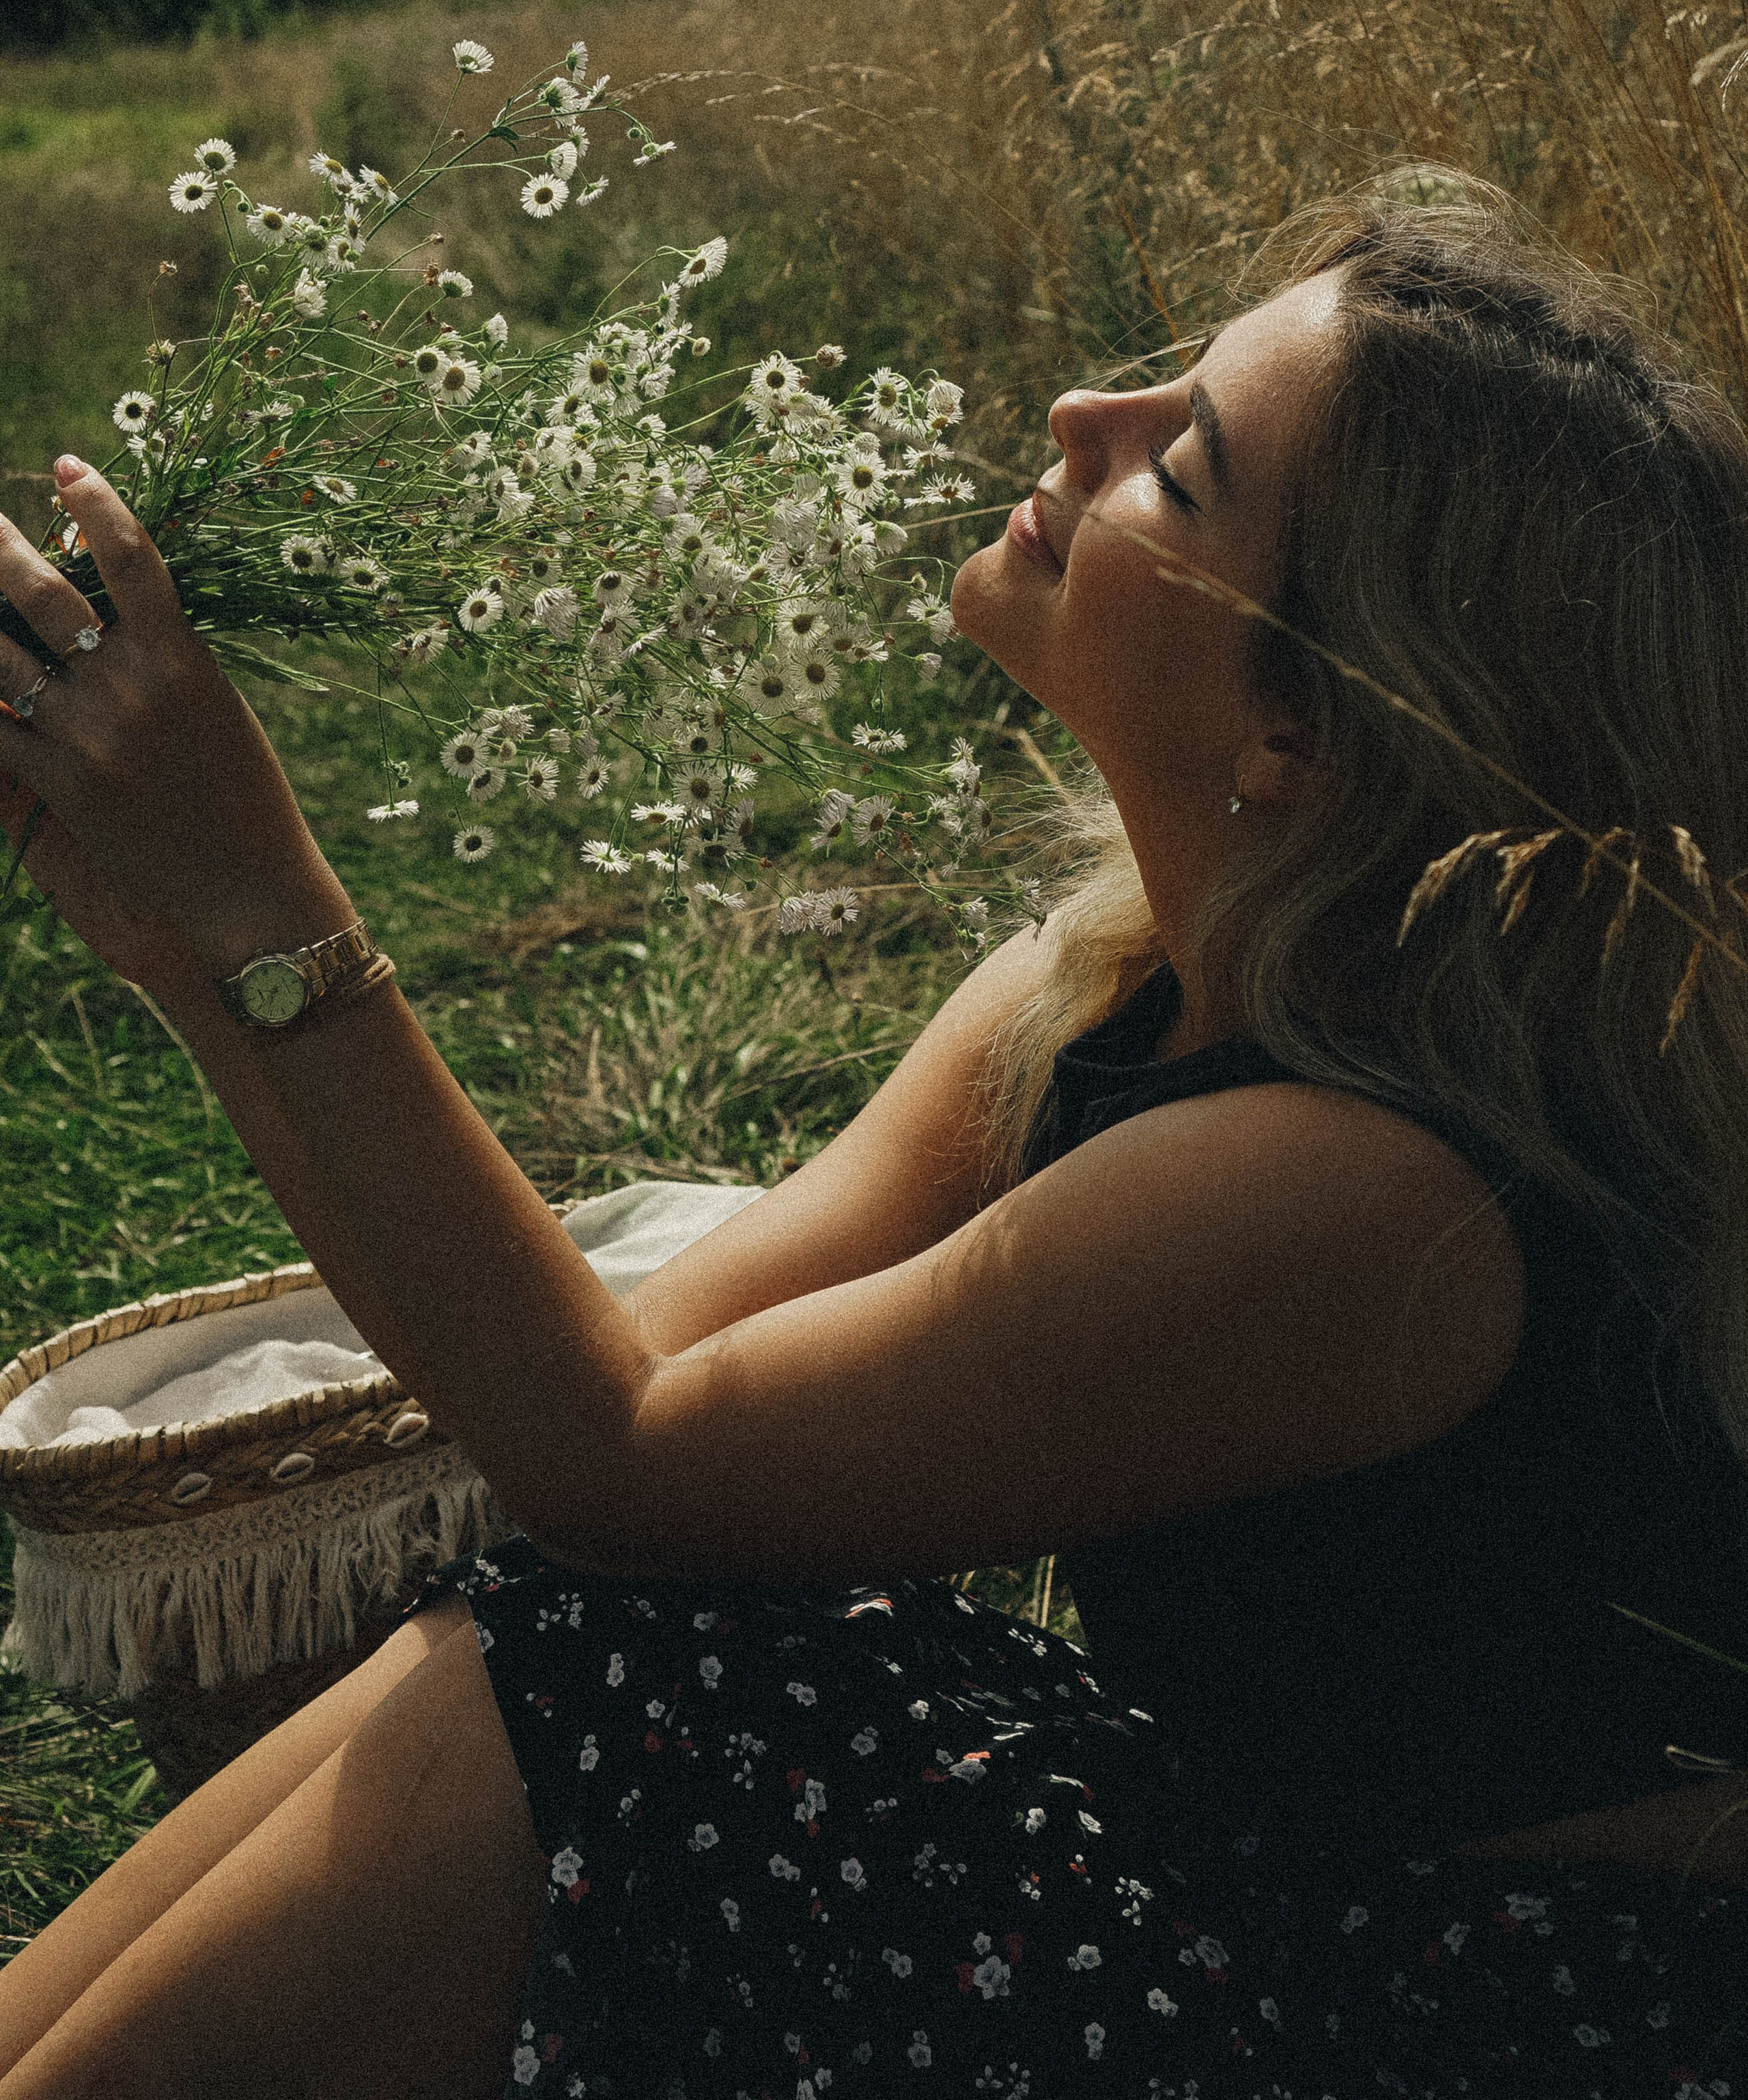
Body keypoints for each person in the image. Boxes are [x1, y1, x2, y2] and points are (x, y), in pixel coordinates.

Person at [0, 176, 1742, 2100]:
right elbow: (632, 1379)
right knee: (601, 1633)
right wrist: (186, 945)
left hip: (1461, 2020)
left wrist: (268, 904)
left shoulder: (1368, 1187)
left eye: (1187, 466)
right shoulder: (1110, 980)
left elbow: (619, 1463)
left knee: (655, 1680)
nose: (1090, 417)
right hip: (1274, 1892)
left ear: (1300, 731)